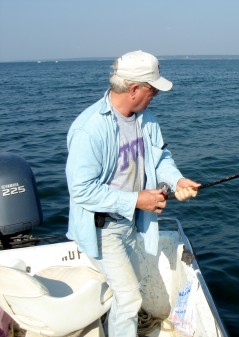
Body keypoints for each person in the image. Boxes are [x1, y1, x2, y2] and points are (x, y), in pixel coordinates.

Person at [65, 50, 200, 337]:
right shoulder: (90, 130)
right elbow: (81, 190)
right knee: (129, 298)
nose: (157, 95)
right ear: (135, 89)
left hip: (132, 223)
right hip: (103, 229)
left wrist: (176, 181)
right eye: (153, 90)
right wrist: (138, 200)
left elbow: (161, 158)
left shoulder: (146, 119)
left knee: (129, 289)